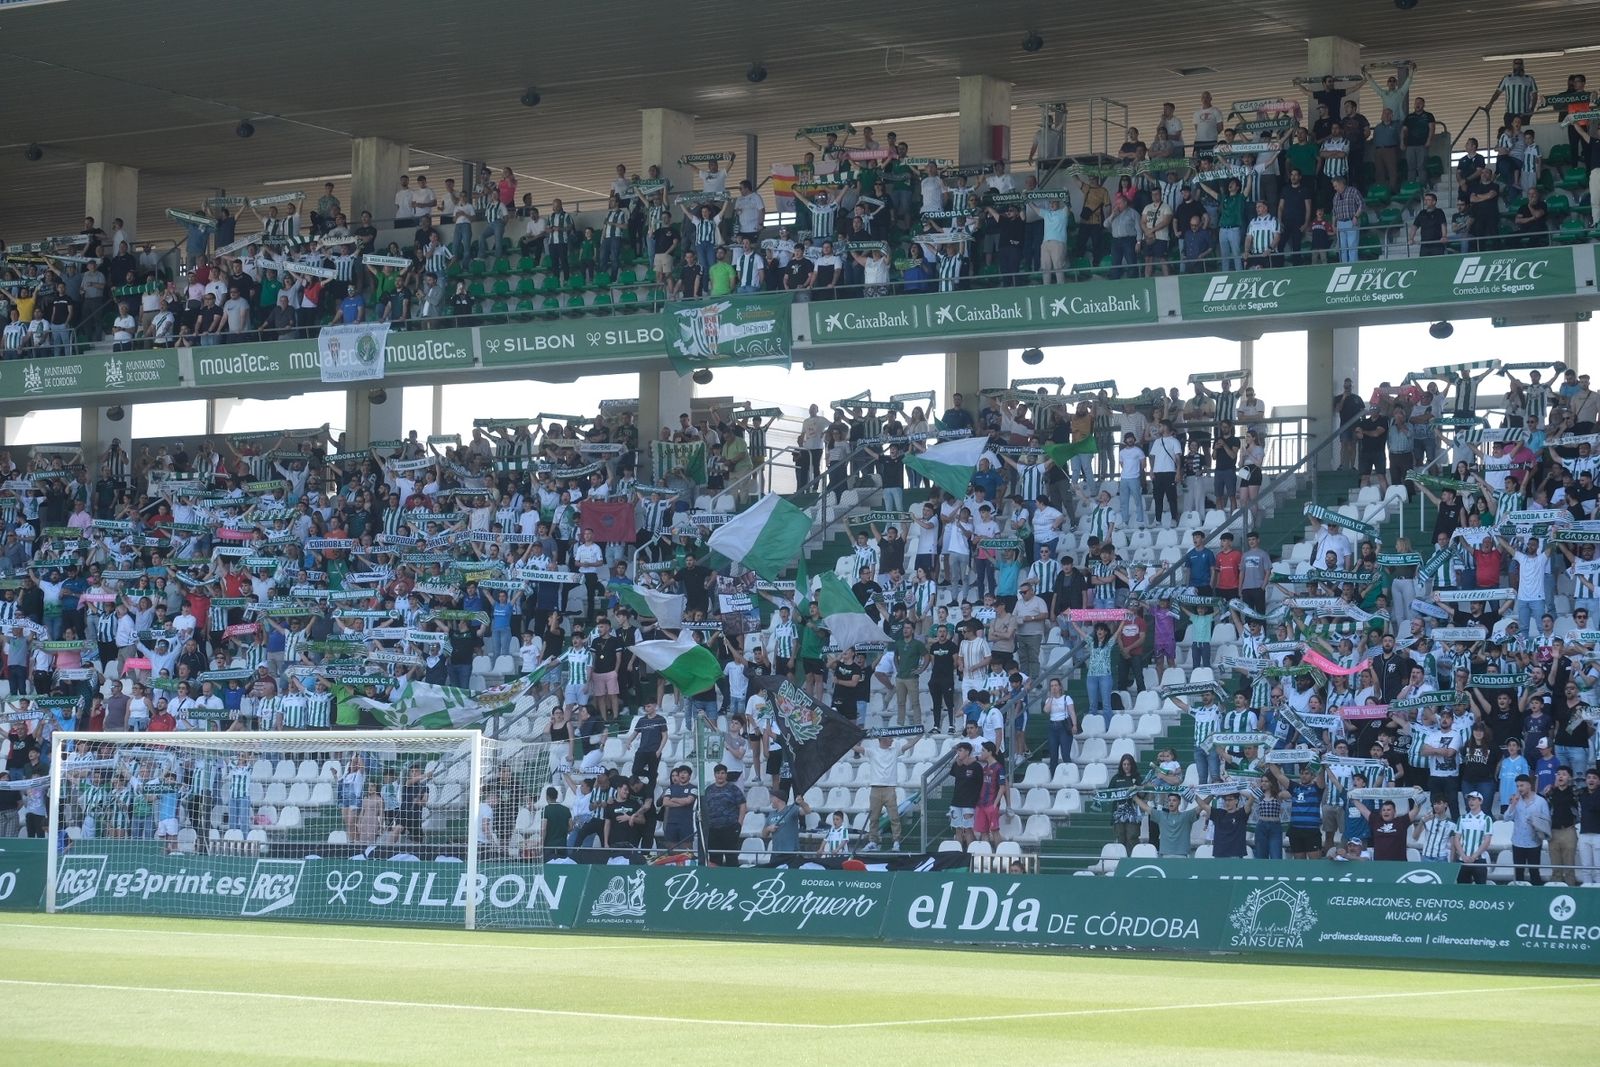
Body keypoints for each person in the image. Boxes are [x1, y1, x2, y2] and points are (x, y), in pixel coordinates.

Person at [1505, 773, 1550, 884]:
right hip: (1518, 842)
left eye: (1521, 785)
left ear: (1529, 785)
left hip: (1534, 842)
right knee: (1518, 873)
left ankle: (1536, 893)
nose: (1519, 788)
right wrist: (1513, 804)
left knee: (1534, 872)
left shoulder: (1541, 801)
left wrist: (1537, 823)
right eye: (1517, 786)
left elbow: (1547, 821)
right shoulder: (1516, 800)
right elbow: (1506, 818)